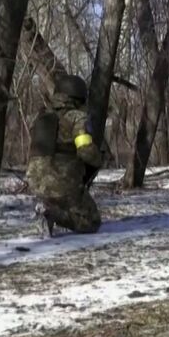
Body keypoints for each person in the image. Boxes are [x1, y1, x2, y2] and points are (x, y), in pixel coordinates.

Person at [26, 74, 103, 236]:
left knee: (60, 197)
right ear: (79, 97)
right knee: (92, 221)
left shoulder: (41, 117)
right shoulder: (77, 117)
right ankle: (51, 213)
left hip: (35, 181)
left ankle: (48, 210)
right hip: (62, 180)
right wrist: (99, 159)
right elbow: (85, 150)